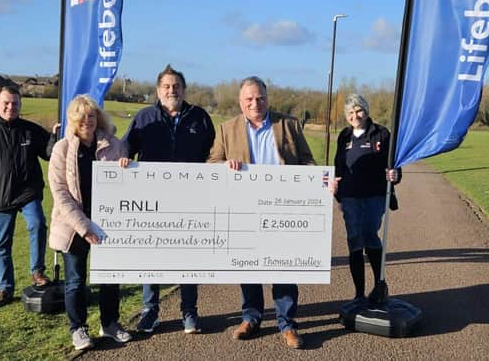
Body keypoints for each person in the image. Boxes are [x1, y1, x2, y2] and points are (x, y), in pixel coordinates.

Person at [207, 76, 315, 349]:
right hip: (244, 209)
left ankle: (287, 324)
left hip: (284, 207)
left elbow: (307, 160)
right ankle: (251, 318)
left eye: (260, 98)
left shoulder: (288, 124)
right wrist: (224, 166)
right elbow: (211, 163)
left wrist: (315, 179)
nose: (255, 103)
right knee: (248, 267)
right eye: (249, 99)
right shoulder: (226, 128)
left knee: (284, 269)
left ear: (268, 98)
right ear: (241, 102)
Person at [122, 64, 215, 334]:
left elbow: (213, 154)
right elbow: (126, 147)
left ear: (184, 90)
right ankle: (150, 311)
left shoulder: (200, 117)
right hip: (152, 200)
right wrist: (122, 158)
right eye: (166, 86)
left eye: (176, 86)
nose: (171, 90)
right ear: (158, 90)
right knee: (152, 256)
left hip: (191, 199)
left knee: (188, 257)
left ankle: (189, 312)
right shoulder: (144, 117)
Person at [48, 94, 133, 351]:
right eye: (82, 116)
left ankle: (109, 323)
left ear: (99, 118)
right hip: (73, 228)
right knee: (75, 281)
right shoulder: (62, 149)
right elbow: (60, 193)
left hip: (107, 225)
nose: (87, 120)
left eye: (92, 115)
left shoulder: (114, 145)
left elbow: (126, 183)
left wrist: (126, 167)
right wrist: (84, 228)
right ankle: (78, 329)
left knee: (110, 277)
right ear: (73, 120)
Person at [0, 85, 56, 308]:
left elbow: (48, 154)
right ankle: (5, 288)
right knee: (2, 245)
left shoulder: (30, 130)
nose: (10, 107)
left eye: (15, 103)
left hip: (28, 193)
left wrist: (54, 137)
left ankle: (37, 272)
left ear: (20, 105)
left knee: (38, 224)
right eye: (6, 102)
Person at [333, 94, 401, 304]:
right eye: (351, 113)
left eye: (359, 110)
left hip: (375, 195)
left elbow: (394, 163)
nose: (355, 115)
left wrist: (395, 174)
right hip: (350, 197)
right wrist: (335, 188)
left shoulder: (381, 133)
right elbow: (338, 166)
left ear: (366, 110)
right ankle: (359, 294)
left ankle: (379, 286)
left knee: (370, 235)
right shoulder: (344, 136)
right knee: (354, 239)